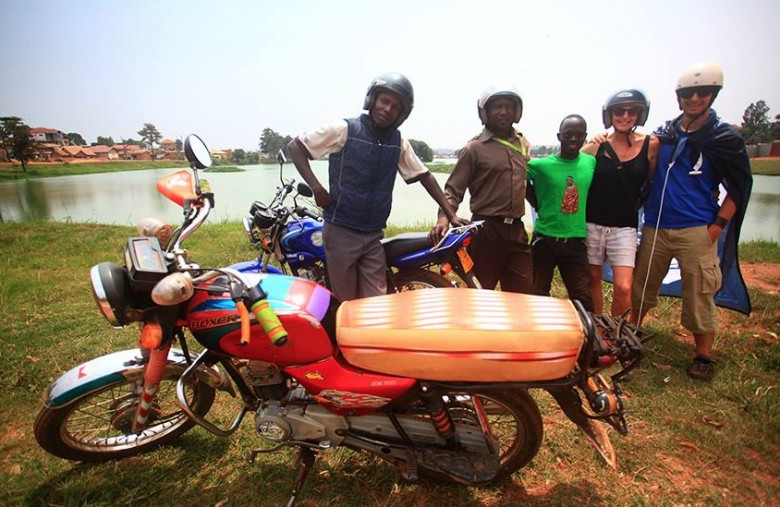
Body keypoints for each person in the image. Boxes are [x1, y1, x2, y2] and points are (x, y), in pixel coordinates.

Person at [287, 72, 467, 301]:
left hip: (373, 234)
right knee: (347, 301)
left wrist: (451, 215)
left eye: (396, 107)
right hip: (341, 230)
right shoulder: (344, 129)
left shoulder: (398, 142)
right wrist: (317, 188)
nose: (387, 109)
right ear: (372, 100)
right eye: (384, 101)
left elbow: (425, 176)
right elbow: (296, 147)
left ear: (401, 115)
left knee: (378, 301)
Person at [630, 62, 753, 382]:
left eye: (703, 92)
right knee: (642, 285)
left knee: (699, 291)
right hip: (656, 226)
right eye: (688, 94)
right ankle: (631, 335)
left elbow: (739, 188)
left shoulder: (723, 138)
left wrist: (717, 226)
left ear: (713, 95)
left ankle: (703, 356)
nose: (694, 99)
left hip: (697, 227)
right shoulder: (664, 135)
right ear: (679, 97)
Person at [432, 84, 533, 293]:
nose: (503, 111)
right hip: (487, 230)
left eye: (508, 106)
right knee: (481, 294)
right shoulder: (474, 148)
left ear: (516, 111)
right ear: (485, 112)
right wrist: (443, 219)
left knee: (523, 294)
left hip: (516, 230)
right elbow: (453, 190)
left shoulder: (522, 144)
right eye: (497, 107)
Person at [581, 90, 659, 316]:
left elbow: (654, 180)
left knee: (624, 286)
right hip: (592, 223)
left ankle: (618, 330)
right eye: (619, 111)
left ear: (640, 114)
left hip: (625, 225)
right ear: (610, 115)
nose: (625, 116)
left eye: (632, 111)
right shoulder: (597, 145)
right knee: (592, 279)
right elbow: (568, 162)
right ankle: (597, 326)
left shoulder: (650, 145)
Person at [527, 114, 596, 311]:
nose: (573, 139)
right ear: (559, 136)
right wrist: (535, 201)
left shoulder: (590, 162)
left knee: (583, 298)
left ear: (585, 137)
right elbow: (515, 175)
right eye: (568, 134)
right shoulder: (541, 166)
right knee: (537, 293)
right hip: (544, 240)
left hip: (575, 240)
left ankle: (586, 329)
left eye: (578, 135)